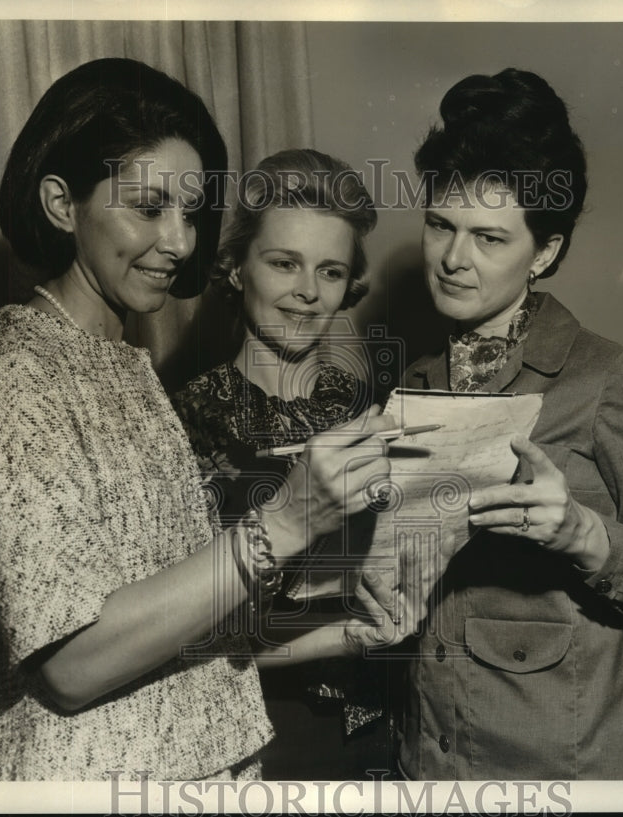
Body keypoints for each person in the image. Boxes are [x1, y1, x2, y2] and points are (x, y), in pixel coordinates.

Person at [0, 58, 404, 782]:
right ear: (62, 204)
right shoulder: (13, 374)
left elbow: (177, 619)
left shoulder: (122, 364)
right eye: (148, 208)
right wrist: (286, 520)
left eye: (189, 212)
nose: (182, 242)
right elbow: (71, 663)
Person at [393, 68, 623, 780]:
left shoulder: (612, 379)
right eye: (440, 225)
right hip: (436, 766)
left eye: (489, 238)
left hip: (573, 774)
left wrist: (582, 533)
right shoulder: (412, 383)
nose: (453, 258)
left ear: (544, 252)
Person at [172, 149, 396, 779]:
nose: (306, 292)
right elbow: (180, 643)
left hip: (381, 737)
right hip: (254, 741)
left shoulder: (367, 414)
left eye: (330, 271)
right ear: (237, 268)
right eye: (283, 263)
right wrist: (341, 638)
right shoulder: (184, 422)